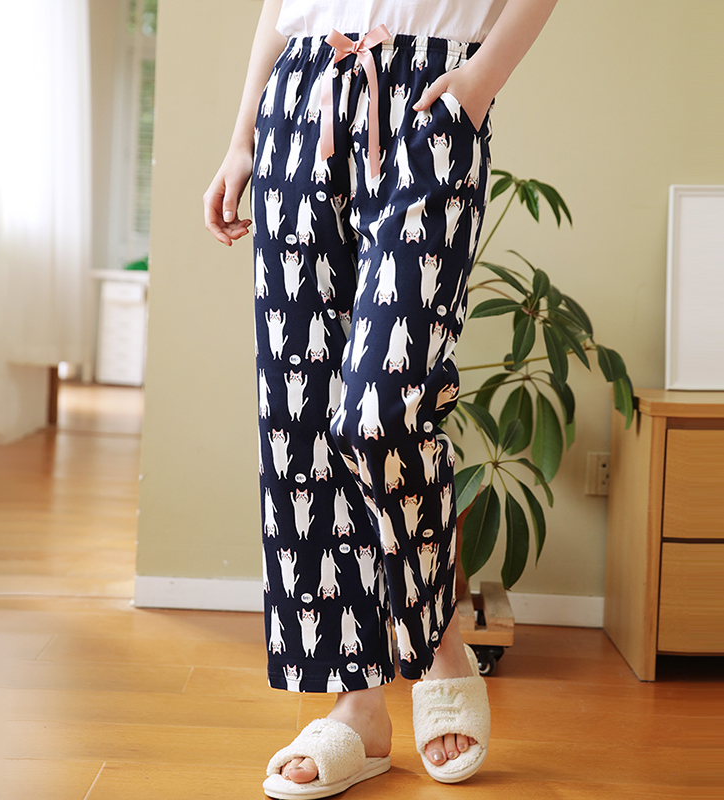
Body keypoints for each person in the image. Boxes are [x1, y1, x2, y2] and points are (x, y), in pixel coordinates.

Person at [204, 1, 559, 796]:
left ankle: (438, 643)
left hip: (433, 94)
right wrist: (243, 136)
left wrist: (481, 79)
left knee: (382, 412)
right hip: (299, 97)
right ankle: (357, 710)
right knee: (299, 419)